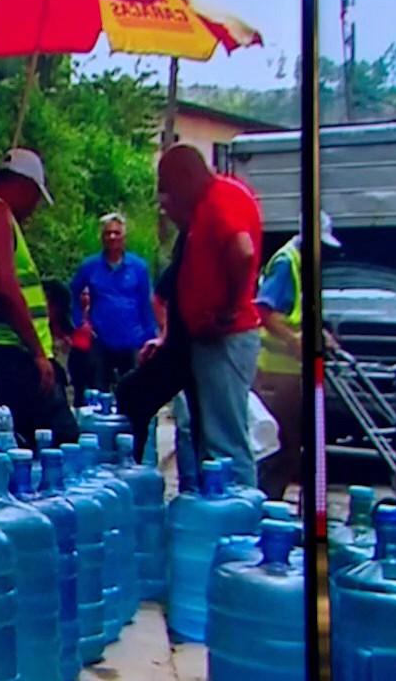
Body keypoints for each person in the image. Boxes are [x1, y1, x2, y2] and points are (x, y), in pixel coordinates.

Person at [116, 145, 264, 488]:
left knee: (225, 442)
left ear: (186, 176)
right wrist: (169, 337)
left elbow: (242, 251)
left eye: (168, 187)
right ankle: (214, 503)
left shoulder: (221, 199)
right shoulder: (205, 208)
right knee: (205, 435)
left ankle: (238, 510)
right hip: (202, 340)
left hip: (225, 338)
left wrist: (229, 309)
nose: (168, 197)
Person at [0, 147, 80, 446]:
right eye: (35, 197)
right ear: (24, 185)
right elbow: (5, 287)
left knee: (28, 449)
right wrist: (38, 352)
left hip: (0, 353)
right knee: (63, 445)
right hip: (7, 353)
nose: (33, 209)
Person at [253, 211, 338, 501]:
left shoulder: (303, 265)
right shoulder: (286, 262)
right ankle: (265, 506)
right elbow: (264, 311)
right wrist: (294, 340)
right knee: (279, 449)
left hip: (291, 375)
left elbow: (297, 314)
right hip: (274, 374)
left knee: (291, 449)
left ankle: (271, 503)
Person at [67, 212, 157, 395]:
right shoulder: (90, 266)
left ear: (124, 237)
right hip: (101, 339)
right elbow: (72, 293)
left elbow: (146, 303)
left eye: (116, 233)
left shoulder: (139, 267)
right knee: (98, 391)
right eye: (108, 233)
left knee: (135, 392)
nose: (112, 237)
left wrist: (150, 337)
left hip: (133, 339)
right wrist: (79, 323)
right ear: (102, 237)